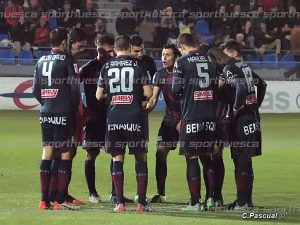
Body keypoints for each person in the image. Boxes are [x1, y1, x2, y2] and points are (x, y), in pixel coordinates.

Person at [96, 35, 153, 213]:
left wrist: (113, 96)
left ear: (115, 48)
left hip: (114, 118)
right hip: (134, 117)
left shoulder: (106, 66)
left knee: (117, 158)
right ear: (129, 48)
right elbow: (148, 92)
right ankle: (141, 203)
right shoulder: (138, 65)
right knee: (140, 157)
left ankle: (119, 203)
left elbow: (98, 95)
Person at [209, 41, 266, 210]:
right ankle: (246, 201)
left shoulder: (229, 68)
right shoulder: (243, 65)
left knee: (240, 159)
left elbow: (240, 88)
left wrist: (233, 110)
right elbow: (262, 84)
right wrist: (256, 105)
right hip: (253, 117)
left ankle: (241, 203)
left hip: (241, 120)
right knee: (246, 160)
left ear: (216, 59)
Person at [32, 27, 80, 210]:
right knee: (66, 152)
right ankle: (60, 199)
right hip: (63, 112)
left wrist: (46, 102)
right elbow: (74, 87)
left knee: (47, 151)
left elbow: (35, 89)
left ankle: (44, 200)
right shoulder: (67, 58)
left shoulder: (41, 60)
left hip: (46, 112)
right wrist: (72, 106)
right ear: (63, 41)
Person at [172, 33, 218, 211]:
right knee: (208, 158)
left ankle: (194, 202)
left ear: (182, 47)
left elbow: (176, 90)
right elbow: (215, 86)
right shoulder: (210, 60)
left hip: (192, 116)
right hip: (210, 118)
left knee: (191, 158)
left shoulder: (181, 62)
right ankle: (211, 199)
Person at [48, 28, 86, 206]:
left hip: (74, 112)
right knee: (60, 153)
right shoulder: (65, 59)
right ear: (70, 42)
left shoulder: (73, 59)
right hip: (66, 112)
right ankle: (55, 195)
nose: (83, 48)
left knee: (71, 151)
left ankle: (63, 192)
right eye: (81, 44)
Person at [79, 34, 115, 203]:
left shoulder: (114, 68)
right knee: (91, 154)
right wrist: (83, 108)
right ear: (98, 48)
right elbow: (71, 87)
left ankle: (115, 193)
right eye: (103, 49)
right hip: (93, 119)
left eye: (109, 50)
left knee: (116, 154)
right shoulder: (87, 68)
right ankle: (92, 193)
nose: (107, 53)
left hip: (111, 116)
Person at [147, 44, 182, 203]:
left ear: (175, 56)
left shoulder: (183, 73)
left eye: (168, 55)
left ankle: (202, 196)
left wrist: (184, 120)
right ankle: (160, 194)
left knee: (194, 155)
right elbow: (153, 98)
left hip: (187, 118)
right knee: (160, 153)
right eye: (162, 54)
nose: (164, 58)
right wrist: (145, 110)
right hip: (169, 120)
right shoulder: (159, 75)